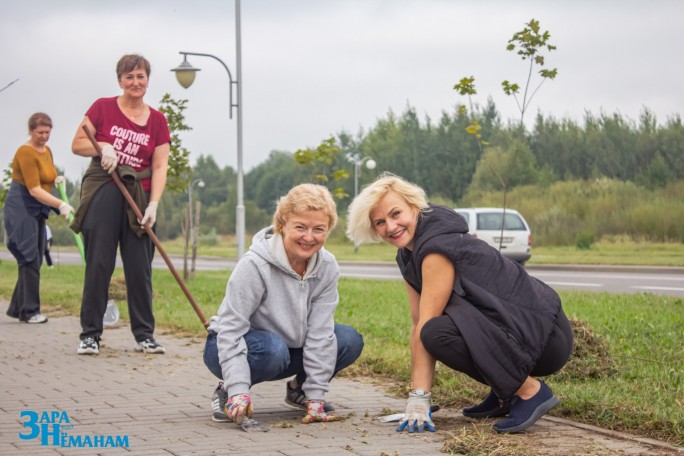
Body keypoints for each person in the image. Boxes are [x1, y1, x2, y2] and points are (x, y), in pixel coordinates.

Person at [346, 173, 573, 434]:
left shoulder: (435, 249)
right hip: (521, 335)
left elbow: (427, 326)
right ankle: (506, 393)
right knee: (433, 327)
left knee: (436, 333)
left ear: (415, 206)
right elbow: (416, 321)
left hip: (545, 338)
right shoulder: (408, 254)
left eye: (396, 214)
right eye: (380, 222)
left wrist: (420, 396)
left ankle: (528, 391)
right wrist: (419, 396)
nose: (391, 226)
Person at [203, 183, 364, 427]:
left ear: (328, 230)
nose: (309, 237)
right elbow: (230, 329)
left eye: (318, 229)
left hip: (287, 348)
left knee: (347, 339)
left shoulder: (327, 266)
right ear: (282, 225)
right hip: (231, 345)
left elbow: (320, 333)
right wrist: (237, 387)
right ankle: (228, 390)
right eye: (300, 227)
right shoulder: (255, 265)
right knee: (272, 349)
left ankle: (300, 390)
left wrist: (316, 397)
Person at [70, 54, 170, 356]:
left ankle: (144, 335)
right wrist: (103, 147)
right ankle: (90, 334)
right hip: (105, 188)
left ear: (147, 80)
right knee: (100, 263)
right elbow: (77, 144)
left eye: (141, 77)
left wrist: (153, 205)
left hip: (138, 195)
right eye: (129, 77)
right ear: (120, 81)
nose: (135, 83)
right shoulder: (102, 107)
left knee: (139, 267)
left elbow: (160, 166)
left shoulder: (157, 120)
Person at [4, 112, 74, 323]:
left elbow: (45, 178)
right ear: (30, 131)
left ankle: (18, 308)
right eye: (39, 132)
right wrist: (60, 204)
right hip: (22, 206)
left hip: (37, 208)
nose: (44, 136)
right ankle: (30, 311)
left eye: (47, 132)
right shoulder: (25, 152)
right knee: (28, 257)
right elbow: (34, 188)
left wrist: (56, 180)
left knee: (37, 256)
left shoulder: (46, 150)